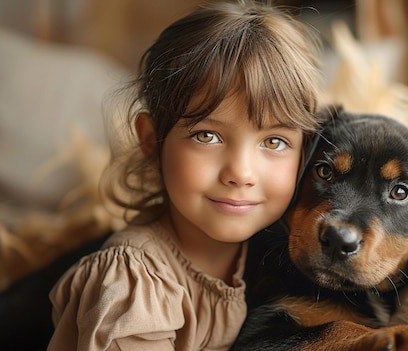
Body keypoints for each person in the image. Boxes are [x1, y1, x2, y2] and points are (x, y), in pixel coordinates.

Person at [47, 1, 324, 350]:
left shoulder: (274, 258)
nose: (241, 173)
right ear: (151, 140)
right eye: (207, 136)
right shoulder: (133, 285)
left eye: (274, 141)